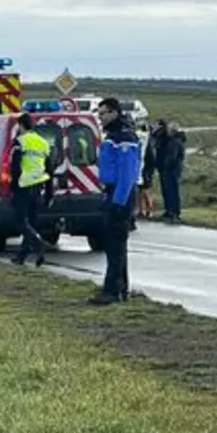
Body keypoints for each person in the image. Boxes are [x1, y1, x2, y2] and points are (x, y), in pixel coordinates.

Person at [89, 97, 141, 305]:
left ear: (114, 113)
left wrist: (118, 202)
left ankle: (112, 291)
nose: (100, 118)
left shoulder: (123, 137)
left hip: (121, 194)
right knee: (114, 245)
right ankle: (120, 288)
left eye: (103, 114)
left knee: (115, 245)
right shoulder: (114, 135)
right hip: (112, 192)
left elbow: (127, 173)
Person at [8, 113, 53, 267]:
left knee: (20, 221)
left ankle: (39, 243)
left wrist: (13, 185)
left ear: (20, 126)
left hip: (23, 185)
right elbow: (49, 169)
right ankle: (23, 255)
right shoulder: (43, 143)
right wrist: (49, 192)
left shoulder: (20, 142)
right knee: (31, 222)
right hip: (39, 185)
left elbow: (15, 166)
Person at [160, 121, 187, 223]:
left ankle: (173, 212)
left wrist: (166, 166)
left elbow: (172, 157)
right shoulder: (178, 140)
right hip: (176, 170)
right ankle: (173, 211)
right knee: (174, 191)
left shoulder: (174, 142)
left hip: (172, 170)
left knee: (171, 191)